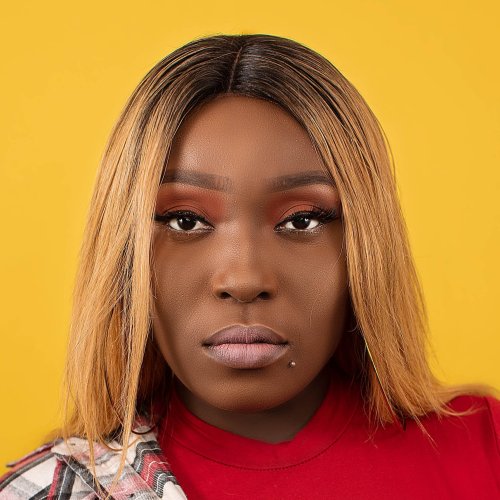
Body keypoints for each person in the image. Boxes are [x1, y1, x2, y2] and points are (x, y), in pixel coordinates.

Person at [1, 33, 499, 500]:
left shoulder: (486, 449)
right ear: (123, 249)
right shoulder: (45, 490)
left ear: (367, 244)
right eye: (185, 220)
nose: (243, 280)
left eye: (302, 220)